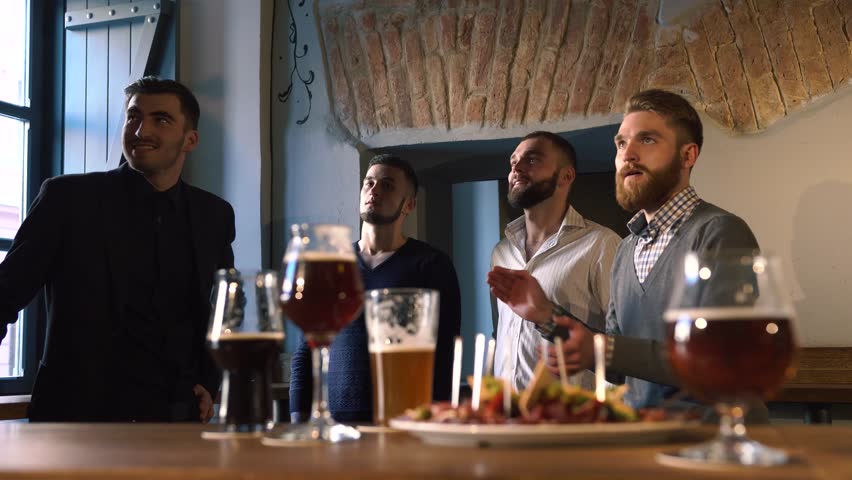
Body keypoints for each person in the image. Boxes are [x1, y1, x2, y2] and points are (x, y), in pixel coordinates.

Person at [488, 90, 759, 410]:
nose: (627, 154)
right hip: (642, 433)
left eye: (647, 140)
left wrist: (604, 349)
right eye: (620, 144)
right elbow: (617, 367)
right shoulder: (628, 248)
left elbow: (719, 359)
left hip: (712, 436)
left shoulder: (719, 232)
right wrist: (545, 314)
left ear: (687, 156)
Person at [0, 77, 235, 422]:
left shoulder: (214, 215)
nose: (141, 131)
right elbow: (5, 294)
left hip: (176, 420)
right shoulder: (67, 199)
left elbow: (225, 310)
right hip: (75, 419)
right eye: (133, 117)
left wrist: (209, 381)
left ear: (191, 140)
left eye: (161, 119)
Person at [289, 154, 462, 423]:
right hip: (333, 426)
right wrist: (298, 417)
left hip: (403, 422)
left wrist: (433, 421)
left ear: (409, 204)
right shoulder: (333, 264)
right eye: (369, 183)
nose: (374, 191)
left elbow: (444, 354)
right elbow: (304, 350)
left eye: (387, 185)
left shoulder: (432, 265)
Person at [489, 131, 620, 392]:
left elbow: (621, 348)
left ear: (566, 176)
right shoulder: (501, 253)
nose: (516, 168)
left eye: (532, 160)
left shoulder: (601, 245)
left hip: (572, 413)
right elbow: (500, 334)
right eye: (513, 162)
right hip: (507, 411)